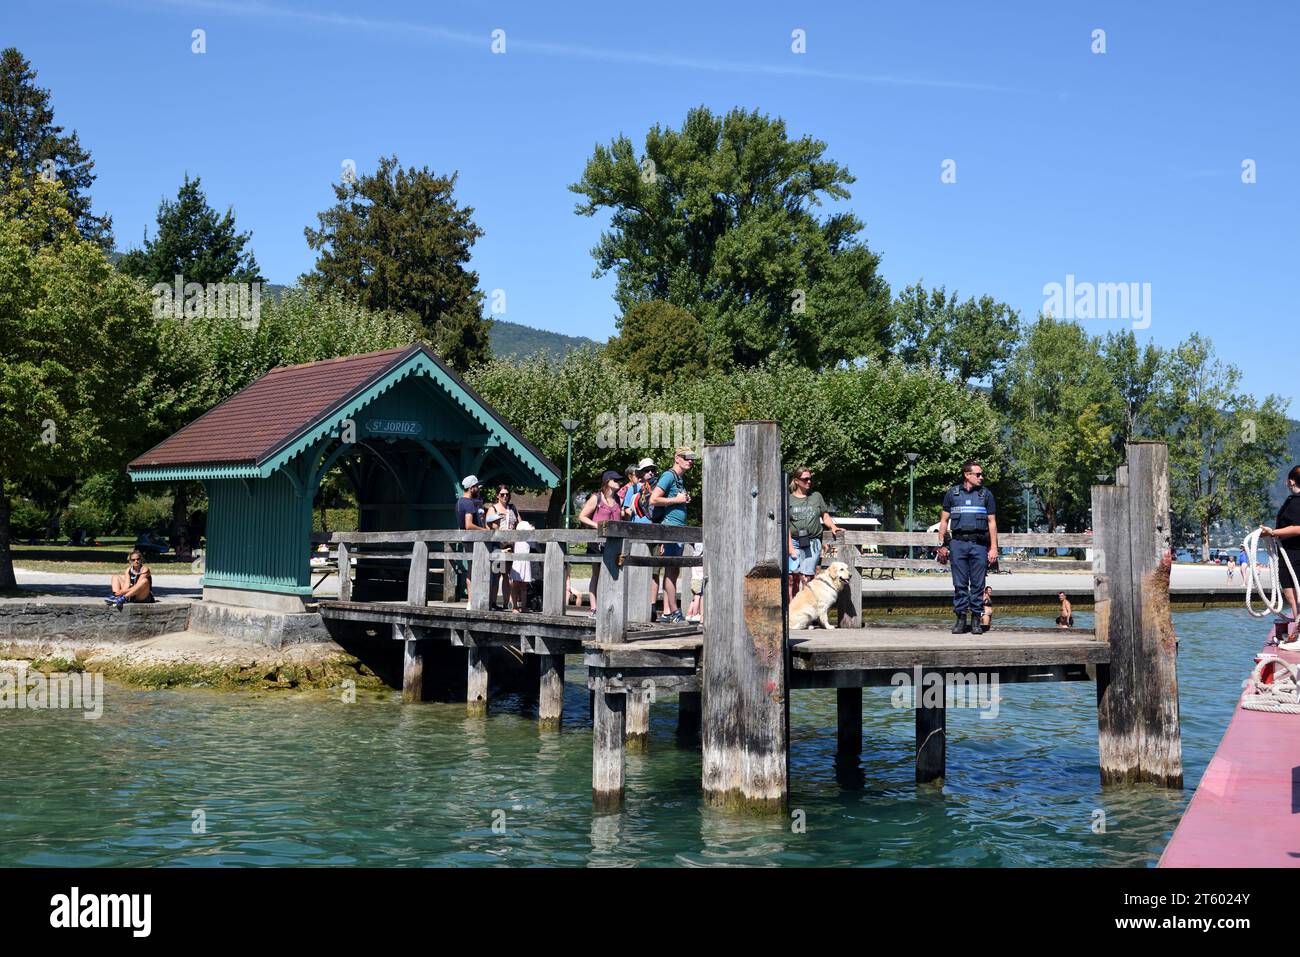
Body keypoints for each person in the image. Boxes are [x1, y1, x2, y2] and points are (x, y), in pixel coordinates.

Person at [936, 460, 998, 634]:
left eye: (981, 474)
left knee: (978, 585)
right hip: (958, 544)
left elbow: (992, 523)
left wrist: (993, 548)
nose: (981, 477)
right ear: (967, 475)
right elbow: (944, 521)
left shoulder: (986, 495)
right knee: (960, 584)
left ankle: (976, 620)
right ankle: (961, 619)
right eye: (978, 474)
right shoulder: (952, 494)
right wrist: (941, 545)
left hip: (979, 545)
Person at [650, 447, 696, 623]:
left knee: (673, 571)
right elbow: (653, 499)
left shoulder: (680, 479)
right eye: (687, 458)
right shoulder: (669, 476)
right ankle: (675, 613)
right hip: (670, 529)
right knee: (671, 569)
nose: (690, 461)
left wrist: (683, 500)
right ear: (677, 458)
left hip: (678, 530)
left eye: (692, 459)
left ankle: (669, 613)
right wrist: (676, 500)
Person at [786, 466, 843, 598]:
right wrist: (790, 548)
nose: (809, 482)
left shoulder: (816, 496)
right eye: (805, 479)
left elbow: (825, 516)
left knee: (807, 578)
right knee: (791, 578)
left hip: (812, 542)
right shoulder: (788, 499)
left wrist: (833, 527)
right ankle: (793, 610)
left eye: (810, 479)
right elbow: (786, 525)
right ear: (796, 481)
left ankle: (808, 610)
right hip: (794, 541)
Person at [578, 470, 624, 616]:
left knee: (615, 574)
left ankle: (611, 605)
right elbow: (582, 516)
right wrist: (596, 525)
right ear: (607, 481)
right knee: (596, 573)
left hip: (615, 543)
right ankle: (594, 607)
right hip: (597, 543)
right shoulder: (596, 498)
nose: (618, 483)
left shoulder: (619, 500)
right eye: (615, 480)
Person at [1259, 464, 1300, 623]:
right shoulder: (1294, 500)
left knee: (1295, 593)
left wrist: (1274, 533)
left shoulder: (1297, 502)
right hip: (1288, 553)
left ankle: (1298, 630)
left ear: (1291, 481)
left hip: (1295, 554)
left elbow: (1298, 528)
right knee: (1291, 593)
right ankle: (1297, 627)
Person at [486, 485, 520, 609]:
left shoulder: (512, 508)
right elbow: (487, 527)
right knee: (496, 575)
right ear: (497, 495)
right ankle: (493, 602)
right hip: (497, 546)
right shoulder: (493, 509)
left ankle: (506, 603)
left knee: (508, 576)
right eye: (502, 494)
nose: (505, 496)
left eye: (507, 494)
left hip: (511, 546)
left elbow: (520, 523)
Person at [455, 475, 486, 603]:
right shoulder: (468, 503)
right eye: (477, 487)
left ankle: (470, 601)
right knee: (477, 569)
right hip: (473, 541)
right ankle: (475, 600)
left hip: (466, 540)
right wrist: (485, 531)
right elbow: (468, 525)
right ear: (471, 488)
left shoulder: (459, 502)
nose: (478, 489)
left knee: (471, 569)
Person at [508, 520, 537, 612]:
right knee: (515, 584)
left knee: (524, 585)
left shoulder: (529, 538)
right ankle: (515, 606)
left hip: (526, 560)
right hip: (518, 560)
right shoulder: (518, 537)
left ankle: (523, 607)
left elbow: (533, 544)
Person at [686, 540, 705, 623]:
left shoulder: (694, 557)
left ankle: (689, 613)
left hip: (694, 579)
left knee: (694, 598)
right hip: (699, 580)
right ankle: (695, 614)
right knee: (698, 597)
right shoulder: (701, 558)